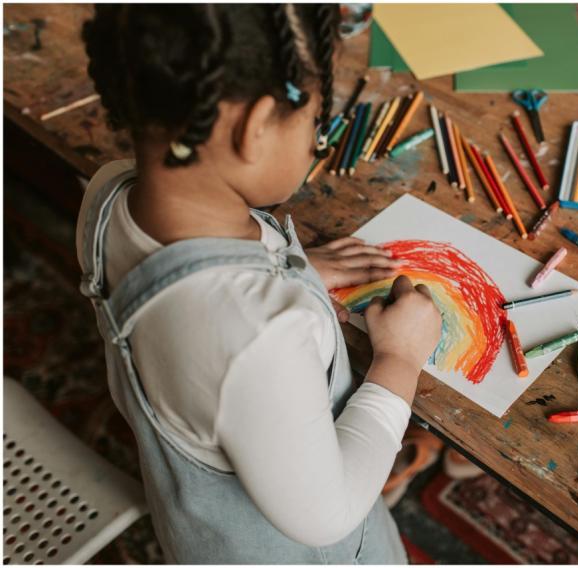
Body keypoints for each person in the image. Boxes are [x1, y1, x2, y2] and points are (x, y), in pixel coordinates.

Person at [75, 4, 442, 563]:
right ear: (256, 128)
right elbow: (329, 514)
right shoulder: (258, 337)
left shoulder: (108, 195)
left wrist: (290, 268)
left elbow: (191, 303)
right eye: (315, 124)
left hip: (200, 528)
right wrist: (400, 359)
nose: (316, 141)